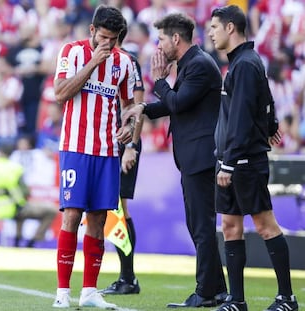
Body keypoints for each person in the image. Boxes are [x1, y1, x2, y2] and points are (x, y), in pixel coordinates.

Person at [122, 12, 228, 308]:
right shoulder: (190, 64)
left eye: (161, 39)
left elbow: (178, 102)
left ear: (176, 39)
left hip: (200, 157)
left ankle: (206, 292)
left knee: (201, 225)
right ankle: (216, 289)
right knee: (198, 224)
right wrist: (142, 108)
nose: (158, 46)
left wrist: (158, 80)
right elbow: (174, 105)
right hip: (193, 157)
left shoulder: (199, 65)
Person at [209, 5, 299, 311]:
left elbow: (242, 116)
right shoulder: (243, 62)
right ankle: (237, 301)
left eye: (215, 27)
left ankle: (287, 298)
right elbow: (265, 99)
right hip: (234, 159)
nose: (211, 32)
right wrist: (271, 125)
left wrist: (229, 163)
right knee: (231, 227)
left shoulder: (245, 64)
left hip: (243, 162)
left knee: (265, 226)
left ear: (230, 28)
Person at [52, 5, 135, 309]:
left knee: (99, 220)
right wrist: (93, 63)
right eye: (103, 38)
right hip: (75, 147)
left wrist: (130, 127)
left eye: (112, 40)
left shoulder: (124, 62)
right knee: (72, 214)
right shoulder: (71, 52)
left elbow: (129, 105)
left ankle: (89, 291)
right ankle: (63, 291)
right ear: (92, 30)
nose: (107, 45)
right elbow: (60, 93)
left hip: (107, 150)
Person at [100, 18, 144, 296]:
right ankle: (125, 276)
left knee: (120, 209)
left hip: (122, 144)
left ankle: (128, 277)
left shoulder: (128, 61)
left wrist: (132, 146)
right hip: (102, 144)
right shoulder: (98, 61)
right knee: (110, 210)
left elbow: (137, 105)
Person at [0, 143, 58, 248]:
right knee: (51, 210)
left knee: (21, 204)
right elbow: (25, 193)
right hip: (13, 209)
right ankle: (32, 243)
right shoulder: (14, 168)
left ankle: (18, 239)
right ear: (11, 154)